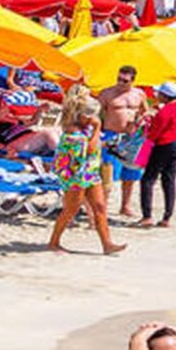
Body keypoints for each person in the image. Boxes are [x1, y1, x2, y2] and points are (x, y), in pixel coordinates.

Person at [49, 104, 124, 255]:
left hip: (90, 172)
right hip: (75, 175)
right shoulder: (72, 131)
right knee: (71, 209)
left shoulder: (87, 128)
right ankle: (54, 242)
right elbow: (88, 149)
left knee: (100, 207)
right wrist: (97, 129)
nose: (92, 118)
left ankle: (107, 244)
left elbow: (94, 146)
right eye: (89, 115)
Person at [97, 66, 150, 221]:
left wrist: (141, 119)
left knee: (131, 174)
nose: (120, 83)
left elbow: (145, 111)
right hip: (112, 134)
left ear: (133, 80)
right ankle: (103, 207)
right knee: (108, 173)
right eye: (119, 79)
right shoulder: (107, 93)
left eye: (125, 81)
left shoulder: (139, 94)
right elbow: (95, 113)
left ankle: (125, 205)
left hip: (133, 137)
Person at [135, 85, 176, 228]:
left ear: (165, 95)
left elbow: (156, 132)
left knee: (148, 179)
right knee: (169, 180)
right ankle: (167, 217)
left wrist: (146, 143)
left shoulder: (165, 111)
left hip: (163, 145)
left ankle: (147, 216)